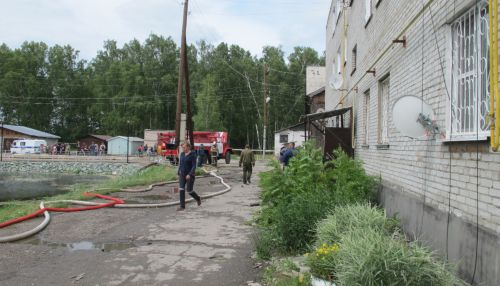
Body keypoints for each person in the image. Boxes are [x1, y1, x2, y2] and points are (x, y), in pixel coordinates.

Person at [177, 141, 202, 211]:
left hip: (190, 175)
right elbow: (180, 163)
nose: (183, 149)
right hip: (182, 174)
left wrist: (189, 174)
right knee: (181, 189)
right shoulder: (182, 154)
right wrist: (178, 172)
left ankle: (198, 198)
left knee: (189, 190)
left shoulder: (193, 154)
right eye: (182, 148)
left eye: (184, 147)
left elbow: (194, 166)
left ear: (188, 147)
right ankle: (182, 206)